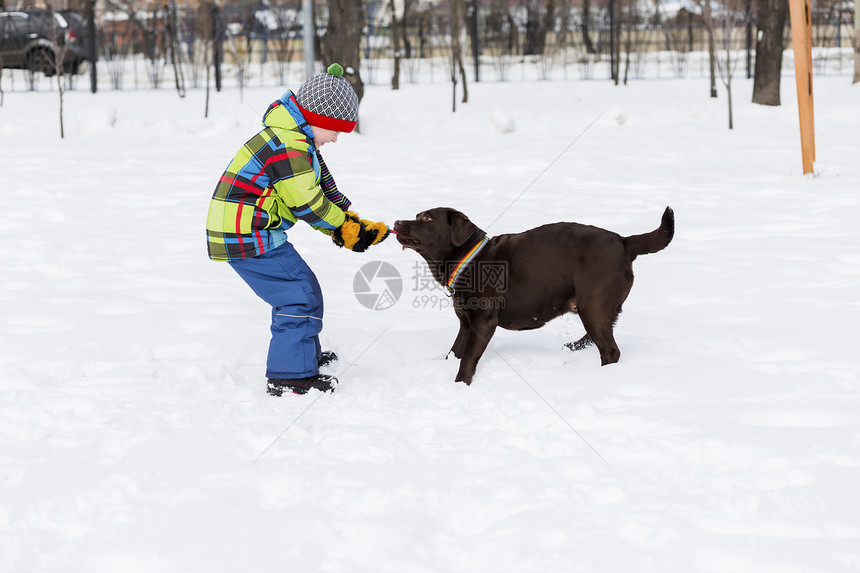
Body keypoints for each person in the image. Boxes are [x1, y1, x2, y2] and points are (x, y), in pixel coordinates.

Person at [206, 63, 389, 396]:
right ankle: (289, 376)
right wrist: (343, 227)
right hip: (245, 234)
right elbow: (307, 203)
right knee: (297, 295)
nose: (335, 138)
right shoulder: (289, 145)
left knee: (303, 289)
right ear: (318, 119)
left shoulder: (291, 137)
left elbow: (316, 189)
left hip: (252, 231)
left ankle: (302, 358)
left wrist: (347, 220)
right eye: (334, 130)